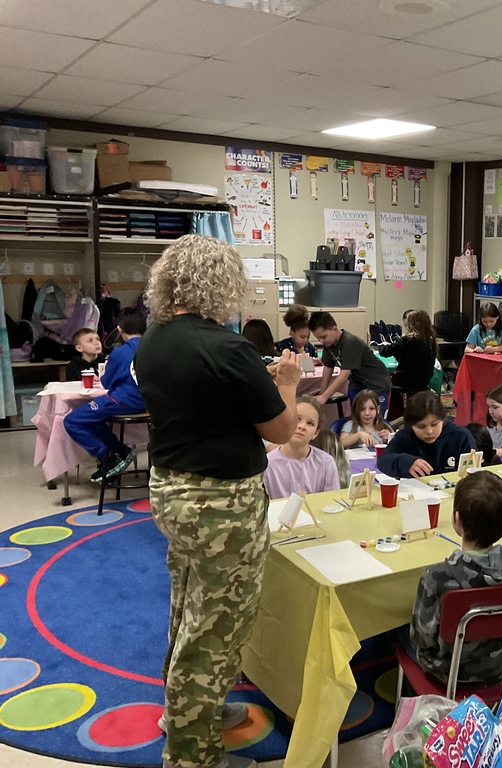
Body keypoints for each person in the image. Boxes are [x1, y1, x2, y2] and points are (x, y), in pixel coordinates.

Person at [134, 234, 301, 768]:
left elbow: (208, 402)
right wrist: (289, 383)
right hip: (221, 505)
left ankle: (186, 711)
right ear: (222, 283)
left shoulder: (154, 339)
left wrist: (257, 382)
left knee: (189, 607)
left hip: (171, 490)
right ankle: (191, 754)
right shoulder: (229, 347)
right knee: (216, 628)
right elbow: (279, 429)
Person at [409, 471, 502, 686]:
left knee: (397, 635)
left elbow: (421, 638)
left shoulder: (437, 576)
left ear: (457, 519)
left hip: (451, 673)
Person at [64, 308, 147, 483]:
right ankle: (120, 450)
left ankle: (108, 457)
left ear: (120, 330)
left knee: (73, 421)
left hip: (125, 401)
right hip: (151, 404)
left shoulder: (119, 352)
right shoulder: (154, 348)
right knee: (93, 418)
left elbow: (107, 384)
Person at [379, 391, 474, 479]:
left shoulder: (461, 437)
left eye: (434, 424)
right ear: (411, 425)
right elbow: (383, 461)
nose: (429, 431)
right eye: (421, 427)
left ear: (443, 419)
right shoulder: (405, 436)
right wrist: (406, 463)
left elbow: (474, 474)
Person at [308, 311, 392, 410]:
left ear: (334, 329)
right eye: (318, 338)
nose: (321, 341)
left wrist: (324, 397)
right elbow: (328, 367)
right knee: (358, 417)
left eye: (324, 336)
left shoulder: (349, 342)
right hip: (358, 384)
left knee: (375, 419)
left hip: (376, 384)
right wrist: (323, 389)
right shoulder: (328, 345)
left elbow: (344, 374)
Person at [263, 396, 340, 499]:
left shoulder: (326, 462)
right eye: (297, 419)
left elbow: (331, 502)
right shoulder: (267, 464)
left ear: (315, 433)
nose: (302, 426)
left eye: (310, 423)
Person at [378, 308, 438, 397]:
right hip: (423, 381)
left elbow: (385, 352)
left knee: (384, 379)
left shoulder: (409, 339)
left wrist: (382, 345)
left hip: (407, 380)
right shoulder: (430, 340)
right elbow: (412, 358)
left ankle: (395, 409)